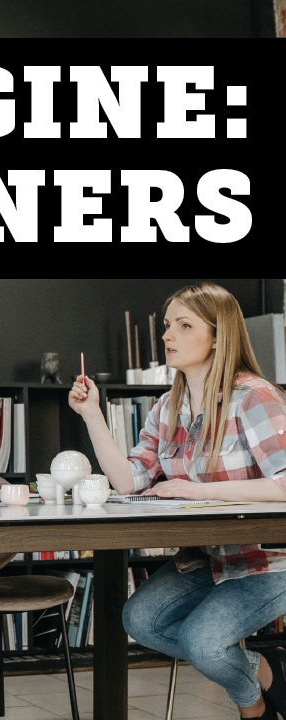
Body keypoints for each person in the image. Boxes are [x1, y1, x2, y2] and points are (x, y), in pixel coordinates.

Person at [68, 283, 286, 720]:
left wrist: (198, 491)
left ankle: (254, 708)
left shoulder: (253, 396)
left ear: (218, 336)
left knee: (203, 643)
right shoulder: (167, 407)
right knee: (140, 621)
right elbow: (129, 481)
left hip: (267, 562)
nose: (168, 335)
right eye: (168, 325)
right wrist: (92, 414)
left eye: (184, 326)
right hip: (205, 559)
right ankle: (266, 669)